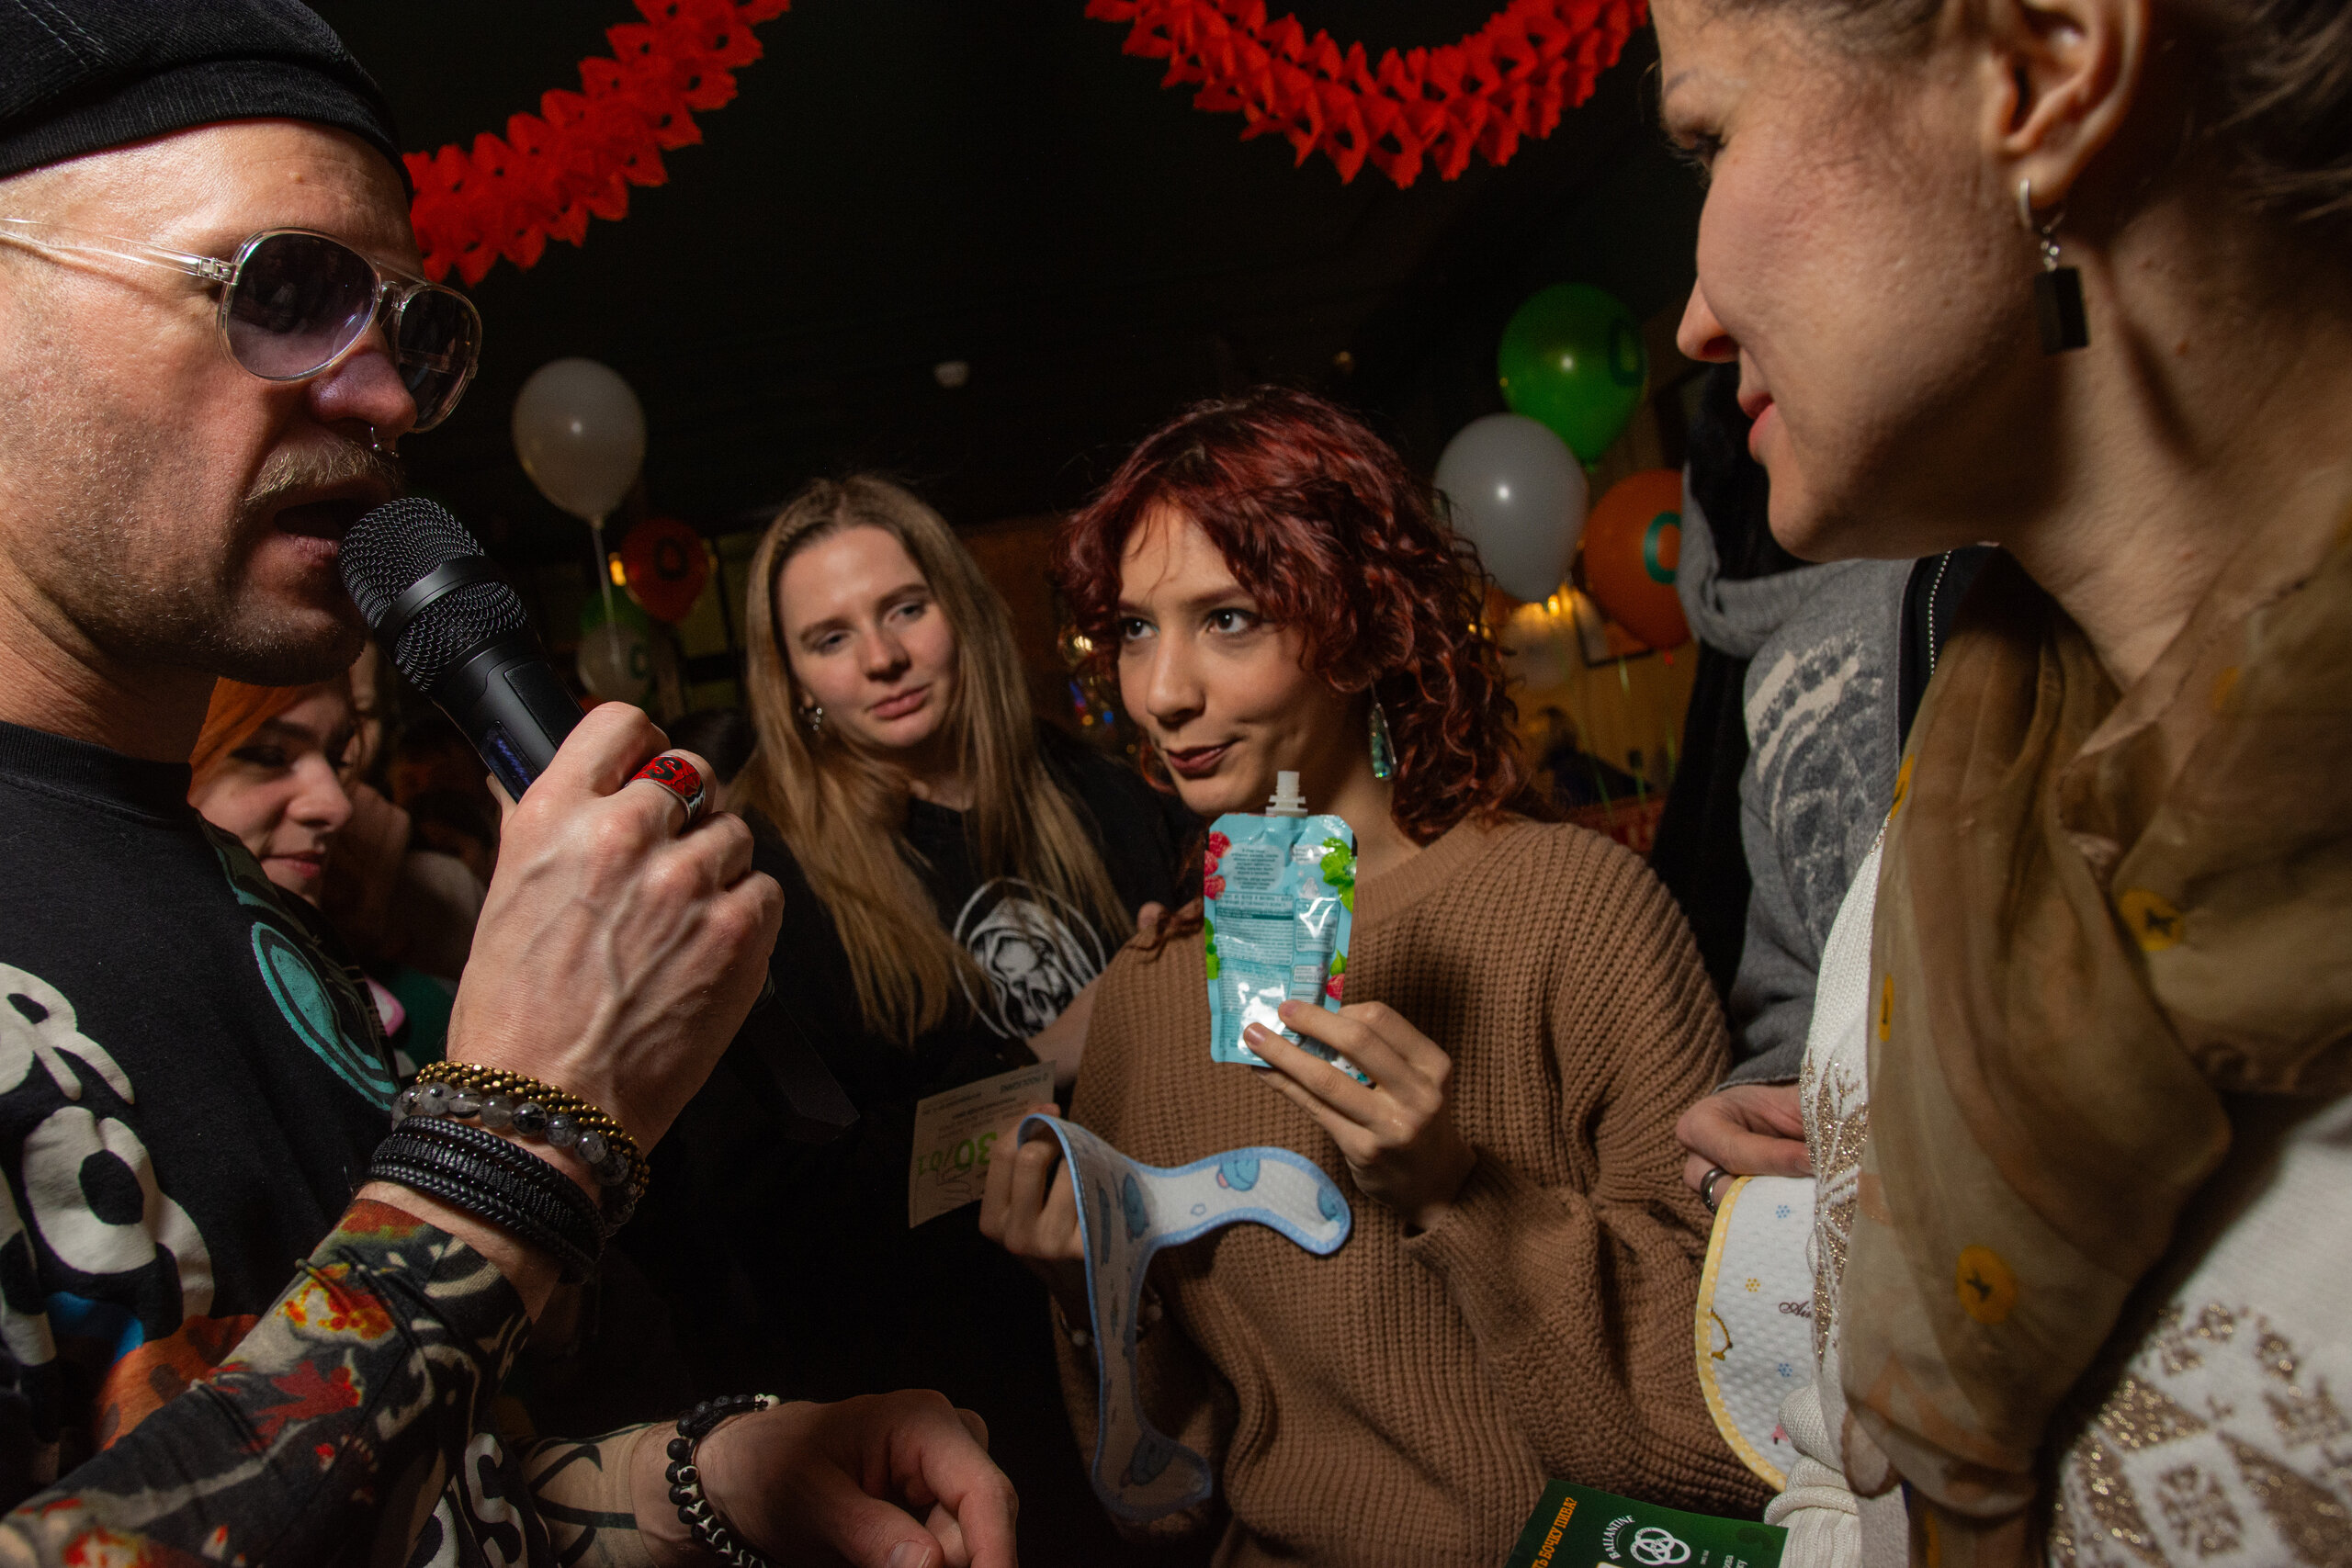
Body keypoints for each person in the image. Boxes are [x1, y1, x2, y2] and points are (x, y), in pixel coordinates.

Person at [0, 6, 1014, 1564]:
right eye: (280, 291)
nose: (387, 399)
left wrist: (706, 1481)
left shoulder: (228, 901)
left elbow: (421, 1492)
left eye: (409, 334)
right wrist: (508, 1147)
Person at [1654, 0, 2352, 1561]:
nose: (1692, 321)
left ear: (2046, 67)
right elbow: (1851, 1476)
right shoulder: (1940, 841)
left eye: (1712, 133)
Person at [981, 387, 1772, 1565]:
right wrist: (1093, 1295)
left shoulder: (1575, 909)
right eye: (1136, 630)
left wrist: (1458, 1190)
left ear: (1358, 625)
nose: (1163, 693)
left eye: (1229, 619)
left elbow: (1714, 1416)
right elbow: (1168, 1498)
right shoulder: (1149, 995)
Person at [624, 475, 1188, 1564]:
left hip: (1172, 1343)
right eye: (829, 638)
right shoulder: (761, 883)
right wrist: (1045, 1059)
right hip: (969, 1415)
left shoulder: (1094, 792)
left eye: (904, 609)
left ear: (960, 610)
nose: (880, 658)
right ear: (792, 679)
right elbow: (790, 1213)